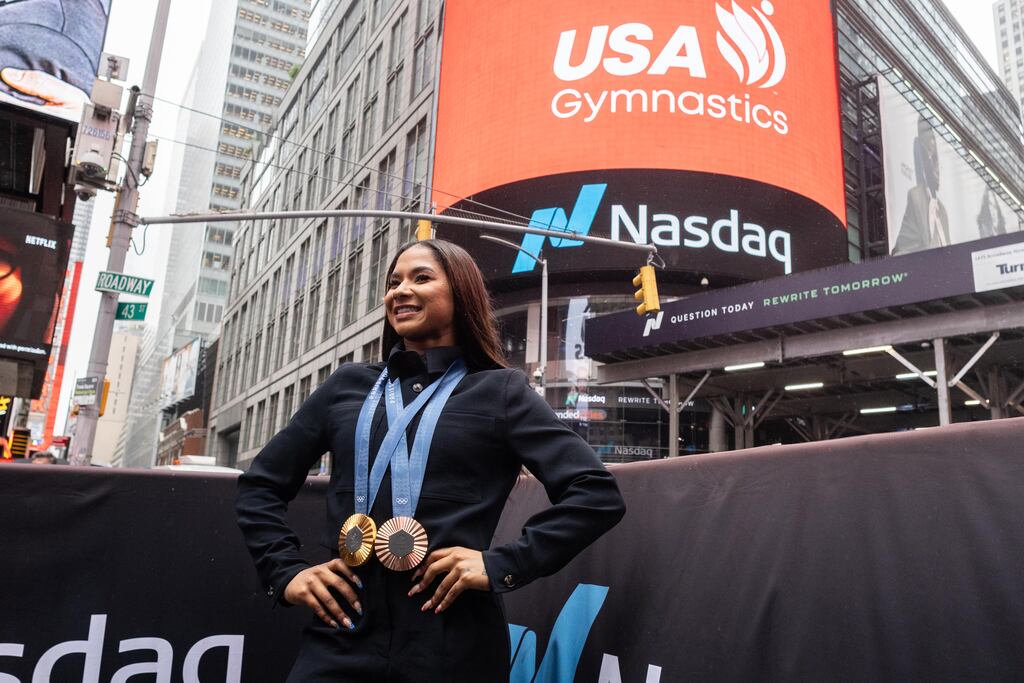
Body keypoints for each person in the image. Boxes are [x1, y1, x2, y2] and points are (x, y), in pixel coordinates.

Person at [236, 239, 625, 681]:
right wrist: (285, 572)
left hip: (453, 648)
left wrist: (502, 565)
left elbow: (596, 494)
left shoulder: (501, 391)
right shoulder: (345, 387)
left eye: (421, 278)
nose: (399, 291)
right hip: (339, 639)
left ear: (461, 294)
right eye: (393, 282)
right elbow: (259, 486)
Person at [891, 116, 951, 255]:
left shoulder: (941, 209)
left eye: (936, 158)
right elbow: (901, 251)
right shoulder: (916, 196)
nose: (936, 167)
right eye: (930, 155)